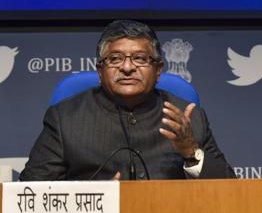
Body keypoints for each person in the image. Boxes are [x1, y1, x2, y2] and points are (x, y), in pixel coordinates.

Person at [20, 20, 235, 180]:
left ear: (158, 70)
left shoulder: (189, 119)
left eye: (140, 58)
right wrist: (90, 198)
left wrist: (191, 151)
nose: (127, 67)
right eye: (115, 59)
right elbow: (29, 193)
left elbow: (231, 191)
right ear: (100, 70)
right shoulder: (65, 119)